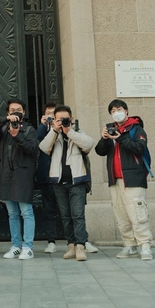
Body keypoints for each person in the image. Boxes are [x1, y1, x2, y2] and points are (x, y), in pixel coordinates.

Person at [95, 99, 153, 261]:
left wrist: (120, 138)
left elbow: (139, 148)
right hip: (115, 179)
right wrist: (104, 138)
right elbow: (100, 151)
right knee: (121, 214)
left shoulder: (136, 128)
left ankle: (145, 245)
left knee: (137, 213)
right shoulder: (111, 129)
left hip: (133, 178)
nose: (116, 113)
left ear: (126, 111)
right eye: (113, 111)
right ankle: (129, 244)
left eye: (119, 109)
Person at [40, 105, 94, 262]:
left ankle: (80, 246)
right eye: (59, 119)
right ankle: (71, 246)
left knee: (78, 215)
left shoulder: (77, 132)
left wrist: (69, 131)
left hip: (77, 181)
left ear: (71, 119)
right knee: (65, 216)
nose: (62, 121)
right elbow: (43, 147)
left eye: (65, 119)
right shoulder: (53, 134)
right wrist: (54, 130)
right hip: (58, 182)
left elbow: (89, 144)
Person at [0, 98, 38, 260]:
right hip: (5, 175)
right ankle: (16, 246)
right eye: (12, 110)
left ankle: (28, 247)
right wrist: (5, 120)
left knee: (26, 212)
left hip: (22, 176)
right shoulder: (4, 128)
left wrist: (17, 136)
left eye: (18, 109)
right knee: (12, 213)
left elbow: (32, 149)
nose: (15, 112)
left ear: (24, 112)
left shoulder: (29, 130)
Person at [36, 102, 59, 254]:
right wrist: (43, 125)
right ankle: (51, 241)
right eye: (48, 113)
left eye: (53, 113)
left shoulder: (63, 127)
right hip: (45, 175)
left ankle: (78, 240)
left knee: (69, 210)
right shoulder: (43, 130)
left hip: (61, 175)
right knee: (48, 210)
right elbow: (36, 141)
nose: (51, 115)